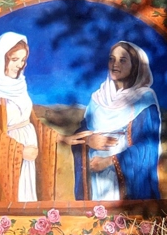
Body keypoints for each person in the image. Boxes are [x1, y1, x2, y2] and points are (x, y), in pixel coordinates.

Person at [65, 41, 162, 201]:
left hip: (123, 176)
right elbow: (80, 133)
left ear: (135, 66)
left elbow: (147, 146)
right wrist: (89, 140)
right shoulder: (97, 98)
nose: (115, 64)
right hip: (94, 172)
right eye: (112, 59)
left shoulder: (144, 98)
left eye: (122, 60)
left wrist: (111, 161)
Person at [0, 32, 58, 202]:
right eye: (14, 59)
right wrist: (20, 151)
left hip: (30, 149)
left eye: (23, 60)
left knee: (29, 197)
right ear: (1, 57)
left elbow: (32, 121)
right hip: (7, 154)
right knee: (13, 199)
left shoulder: (19, 84)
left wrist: (60, 138)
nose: (20, 65)